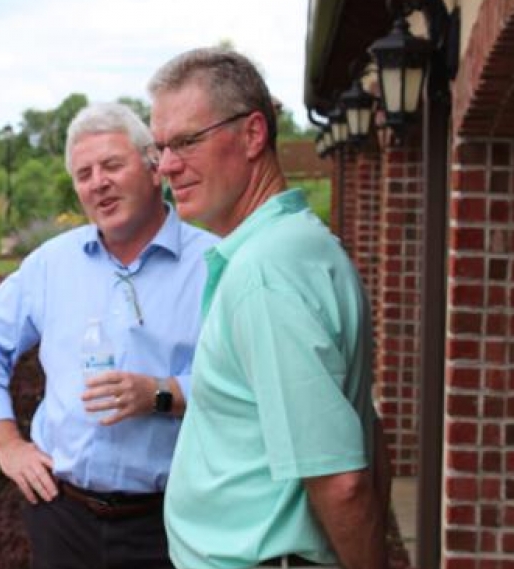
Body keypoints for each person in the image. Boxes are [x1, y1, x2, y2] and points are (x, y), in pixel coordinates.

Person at [147, 47, 391, 569]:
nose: (167, 165)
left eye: (186, 141)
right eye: (161, 147)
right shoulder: (301, 245)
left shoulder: (265, 272)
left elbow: (342, 481)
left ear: (253, 134)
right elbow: (368, 429)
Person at [0, 102, 218, 569]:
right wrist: (7, 445)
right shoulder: (52, 264)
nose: (98, 182)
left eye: (112, 165)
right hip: (62, 516)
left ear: (154, 168)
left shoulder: (215, 265)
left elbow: (246, 382)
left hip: (174, 521)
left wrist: (163, 393)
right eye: (84, 173)